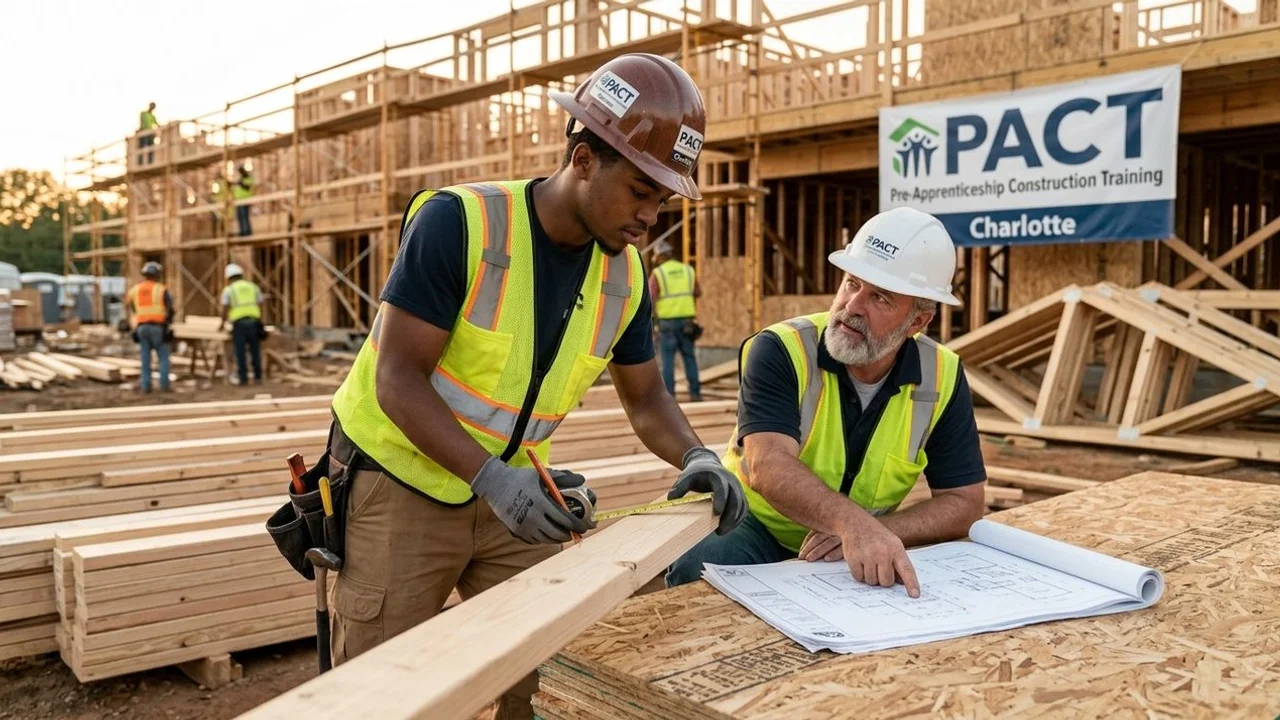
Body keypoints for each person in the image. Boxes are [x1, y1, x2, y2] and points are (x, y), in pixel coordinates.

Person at [324, 53, 746, 719]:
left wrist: (696, 456)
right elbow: (397, 379)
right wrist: (492, 480)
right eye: (640, 192)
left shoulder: (627, 276)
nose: (649, 218)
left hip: (513, 498)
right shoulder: (462, 224)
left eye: (662, 200)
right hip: (401, 485)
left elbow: (647, 398)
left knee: (545, 680)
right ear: (582, 159)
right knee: (380, 692)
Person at [666, 207, 988, 595]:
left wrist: (875, 530)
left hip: (847, 548)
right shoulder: (781, 349)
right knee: (693, 581)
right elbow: (767, 464)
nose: (853, 306)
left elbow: (965, 502)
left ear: (917, 322)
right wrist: (852, 524)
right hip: (752, 526)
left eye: (880, 298)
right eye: (852, 283)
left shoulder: (943, 375)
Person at [648, 238, 702, 401]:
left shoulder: (658, 273)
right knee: (689, 358)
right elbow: (697, 292)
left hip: (667, 323)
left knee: (668, 360)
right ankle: (695, 394)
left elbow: (651, 298)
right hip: (687, 322)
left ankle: (669, 398)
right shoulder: (688, 270)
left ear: (659, 257)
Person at [125, 261, 173, 393]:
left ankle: (146, 386)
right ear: (157, 275)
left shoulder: (135, 289)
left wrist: (135, 320)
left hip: (141, 327)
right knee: (163, 357)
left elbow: (130, 306)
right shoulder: (161, 289)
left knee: (145, 357)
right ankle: (164, 385)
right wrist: (168, 322)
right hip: (157, 327)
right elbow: (169, 307)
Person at [219, 263, 264, 385]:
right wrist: (260, 319)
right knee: (255, 350)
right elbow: (260, 303)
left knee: (240, 351)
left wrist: (222, 324)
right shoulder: (253, 286)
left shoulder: (229, 290)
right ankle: (258, 377)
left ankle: (243, 378)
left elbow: (224, 308)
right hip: (254, 322)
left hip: (239, 324)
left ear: (228, 278)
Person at [232, 165, 254, 236]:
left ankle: (246, 231)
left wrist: (241, 183)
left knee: (244, 216)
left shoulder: (248, 178)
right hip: (238, 201)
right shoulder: (240, 179)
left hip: (245, 200)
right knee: (240, 216)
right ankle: (242, 231)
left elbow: (248, 187)